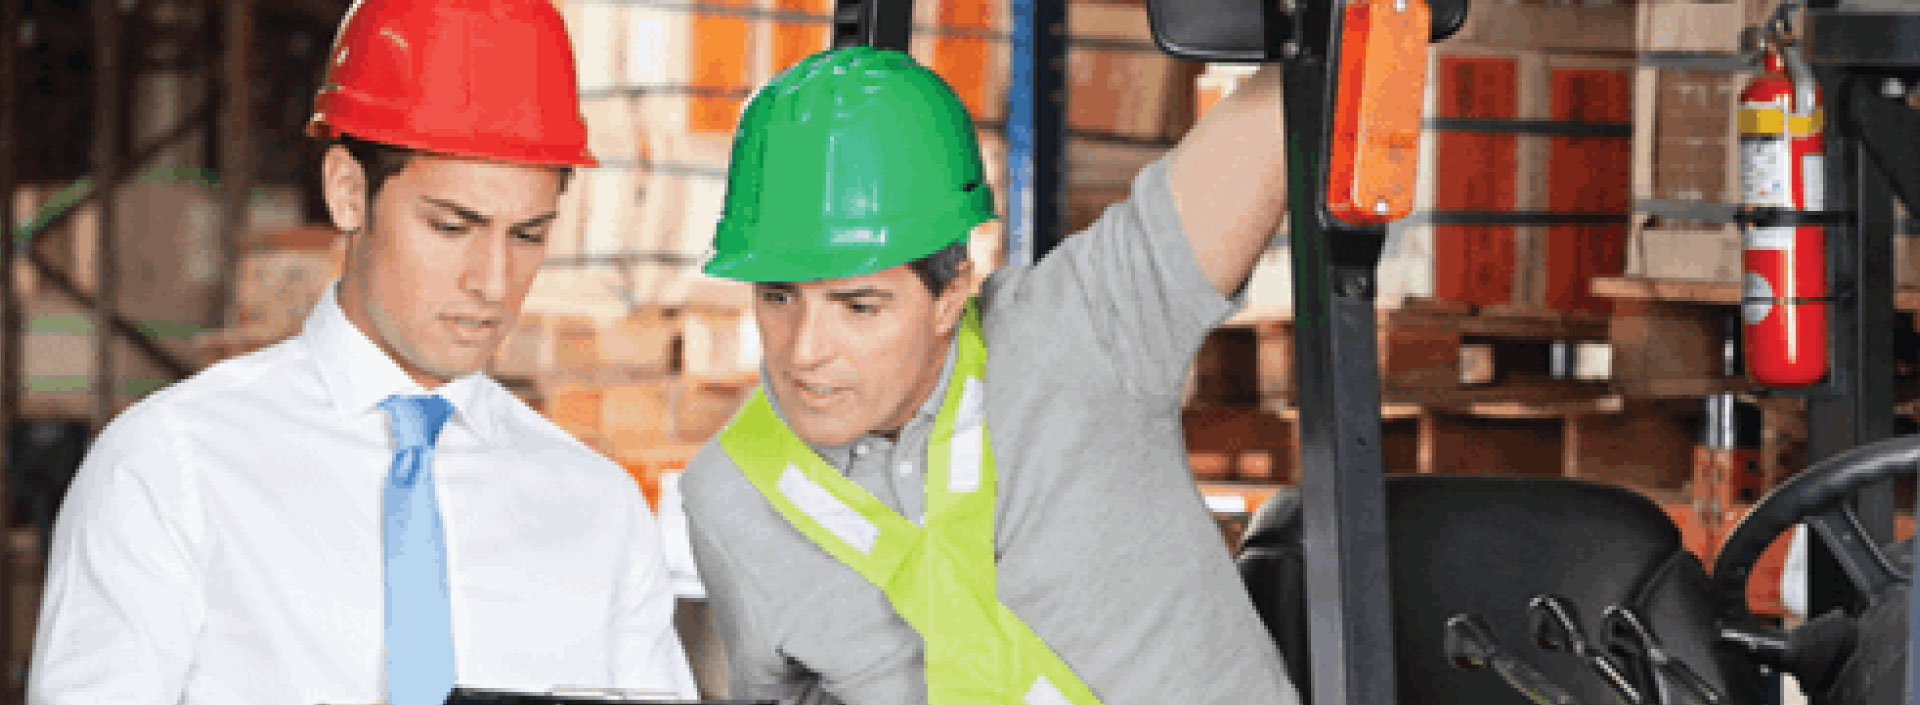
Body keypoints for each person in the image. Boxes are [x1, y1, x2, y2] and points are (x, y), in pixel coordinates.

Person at [27, 1, 696, 703]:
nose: (493, 282)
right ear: (348, 191)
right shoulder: (168, 471)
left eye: (527, 235)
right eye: (451, 226)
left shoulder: (600, 513)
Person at [681, 47, 1297, 705]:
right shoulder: (733, 499)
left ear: (950, 292)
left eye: (857, 307)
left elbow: (1288, 95)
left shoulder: (1081, 331)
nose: (803, 351)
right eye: (778, 297)